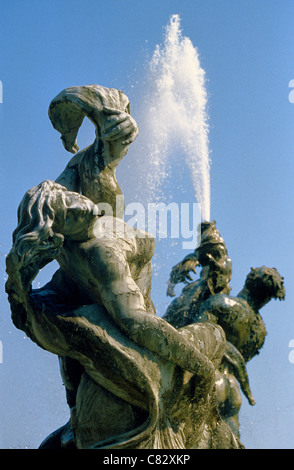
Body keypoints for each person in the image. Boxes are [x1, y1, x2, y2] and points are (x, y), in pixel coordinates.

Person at [6, 180, 242, 449]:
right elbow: (137, 322)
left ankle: (73, 411)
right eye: (68, 215)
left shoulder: (74, 249)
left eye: (70, 198)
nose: (80, 206)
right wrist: (201, 366)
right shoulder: (102, 252)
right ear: (58, 234)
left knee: (67, 314)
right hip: (139, 343)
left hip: (117, 326)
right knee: (215, 334)